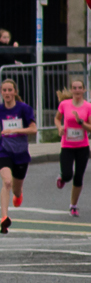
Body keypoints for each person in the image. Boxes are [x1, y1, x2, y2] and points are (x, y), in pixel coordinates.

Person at [0, 78, 36, 234]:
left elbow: (33, 129)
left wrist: (16, 131)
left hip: (21, 153)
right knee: (7, 182)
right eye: (4, 90)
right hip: (5, 150)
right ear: (1, 93)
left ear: (15, 92)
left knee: (16, 189)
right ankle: (4, 218)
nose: (7, 93)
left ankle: (18, 195)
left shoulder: (24, 109)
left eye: (10, 90)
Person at [54, 78, 91, 217]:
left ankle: (73, 206)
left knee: (79, 177)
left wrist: (81, 122)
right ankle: (63, 177)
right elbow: (57, 118)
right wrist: (59, 127)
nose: (77, 90)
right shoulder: (65, 104)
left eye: (79, 88)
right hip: (67, 145)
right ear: (71, 90)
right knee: (68, 175)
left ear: (83, 90)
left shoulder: (88, 107)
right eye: (74, 88)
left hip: (82, 146)